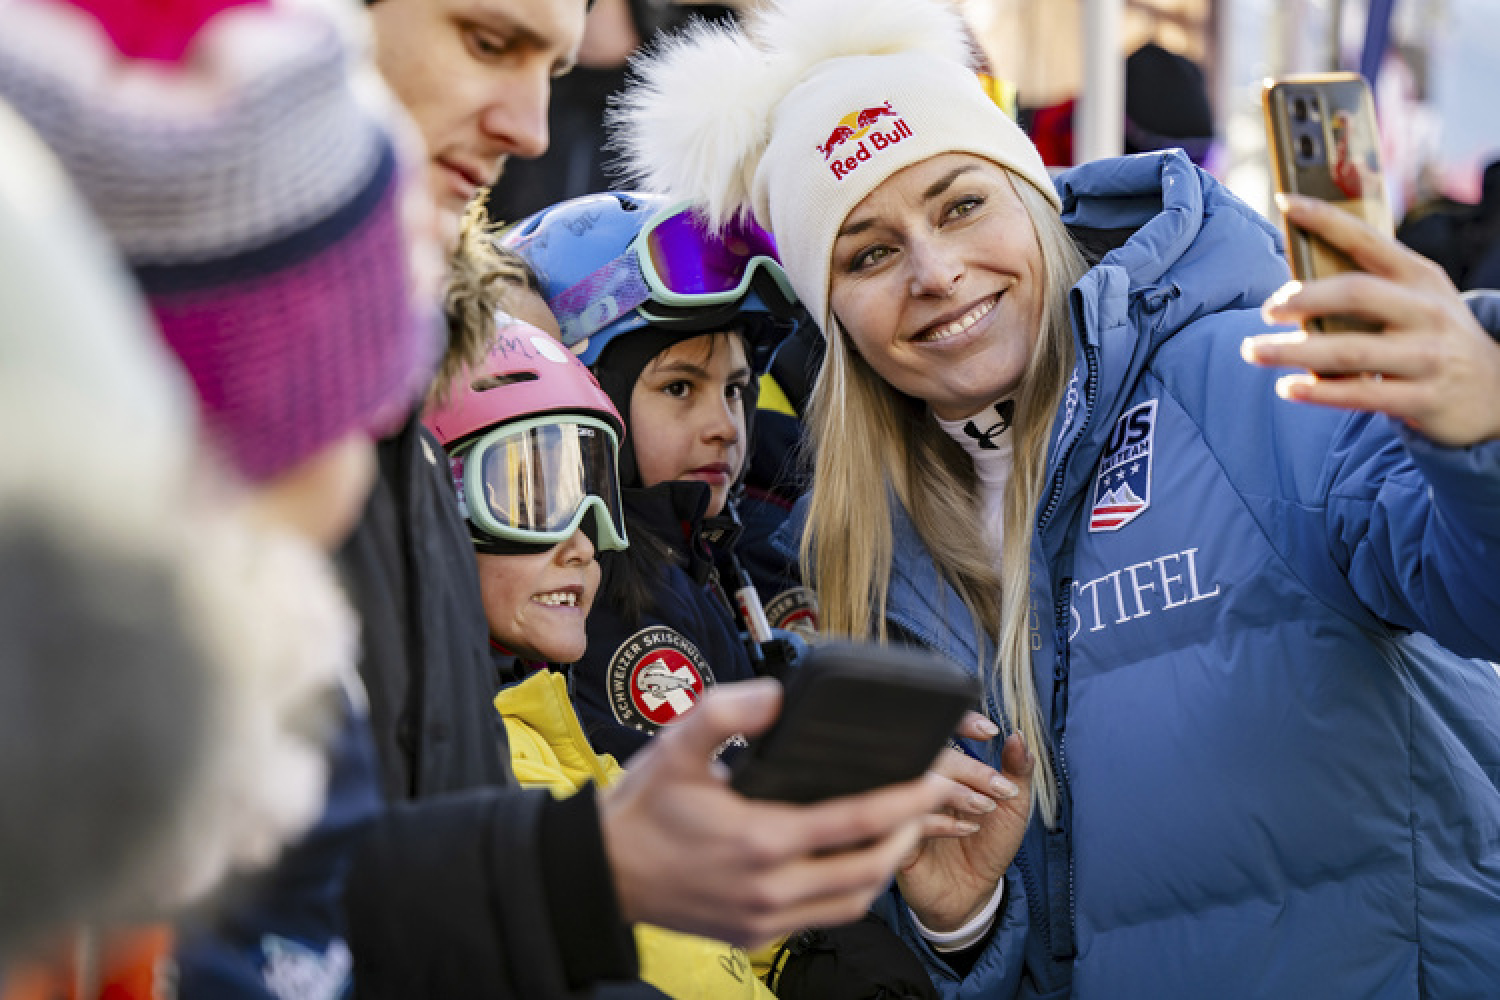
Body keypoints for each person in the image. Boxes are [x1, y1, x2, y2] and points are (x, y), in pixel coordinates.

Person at [613, 0, 1500, 996]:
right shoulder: (858, 553)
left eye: (960, 205)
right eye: (868, 252)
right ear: (836, 320)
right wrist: (962, 924)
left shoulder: (1255, 375)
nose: (936, 273)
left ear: (1036, 199)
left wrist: (1482, 425)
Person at [422, 232, 777, 997]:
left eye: (595, 488)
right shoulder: (454, 761)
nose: (584, 544)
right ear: (436, 504)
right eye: (529, 491)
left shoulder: (564, 732)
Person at [504, 190, 801, 759]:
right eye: (679, 388)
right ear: (590, 401)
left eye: (736, 390)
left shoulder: (698, 558)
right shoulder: (607, 597)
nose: (725, 426)